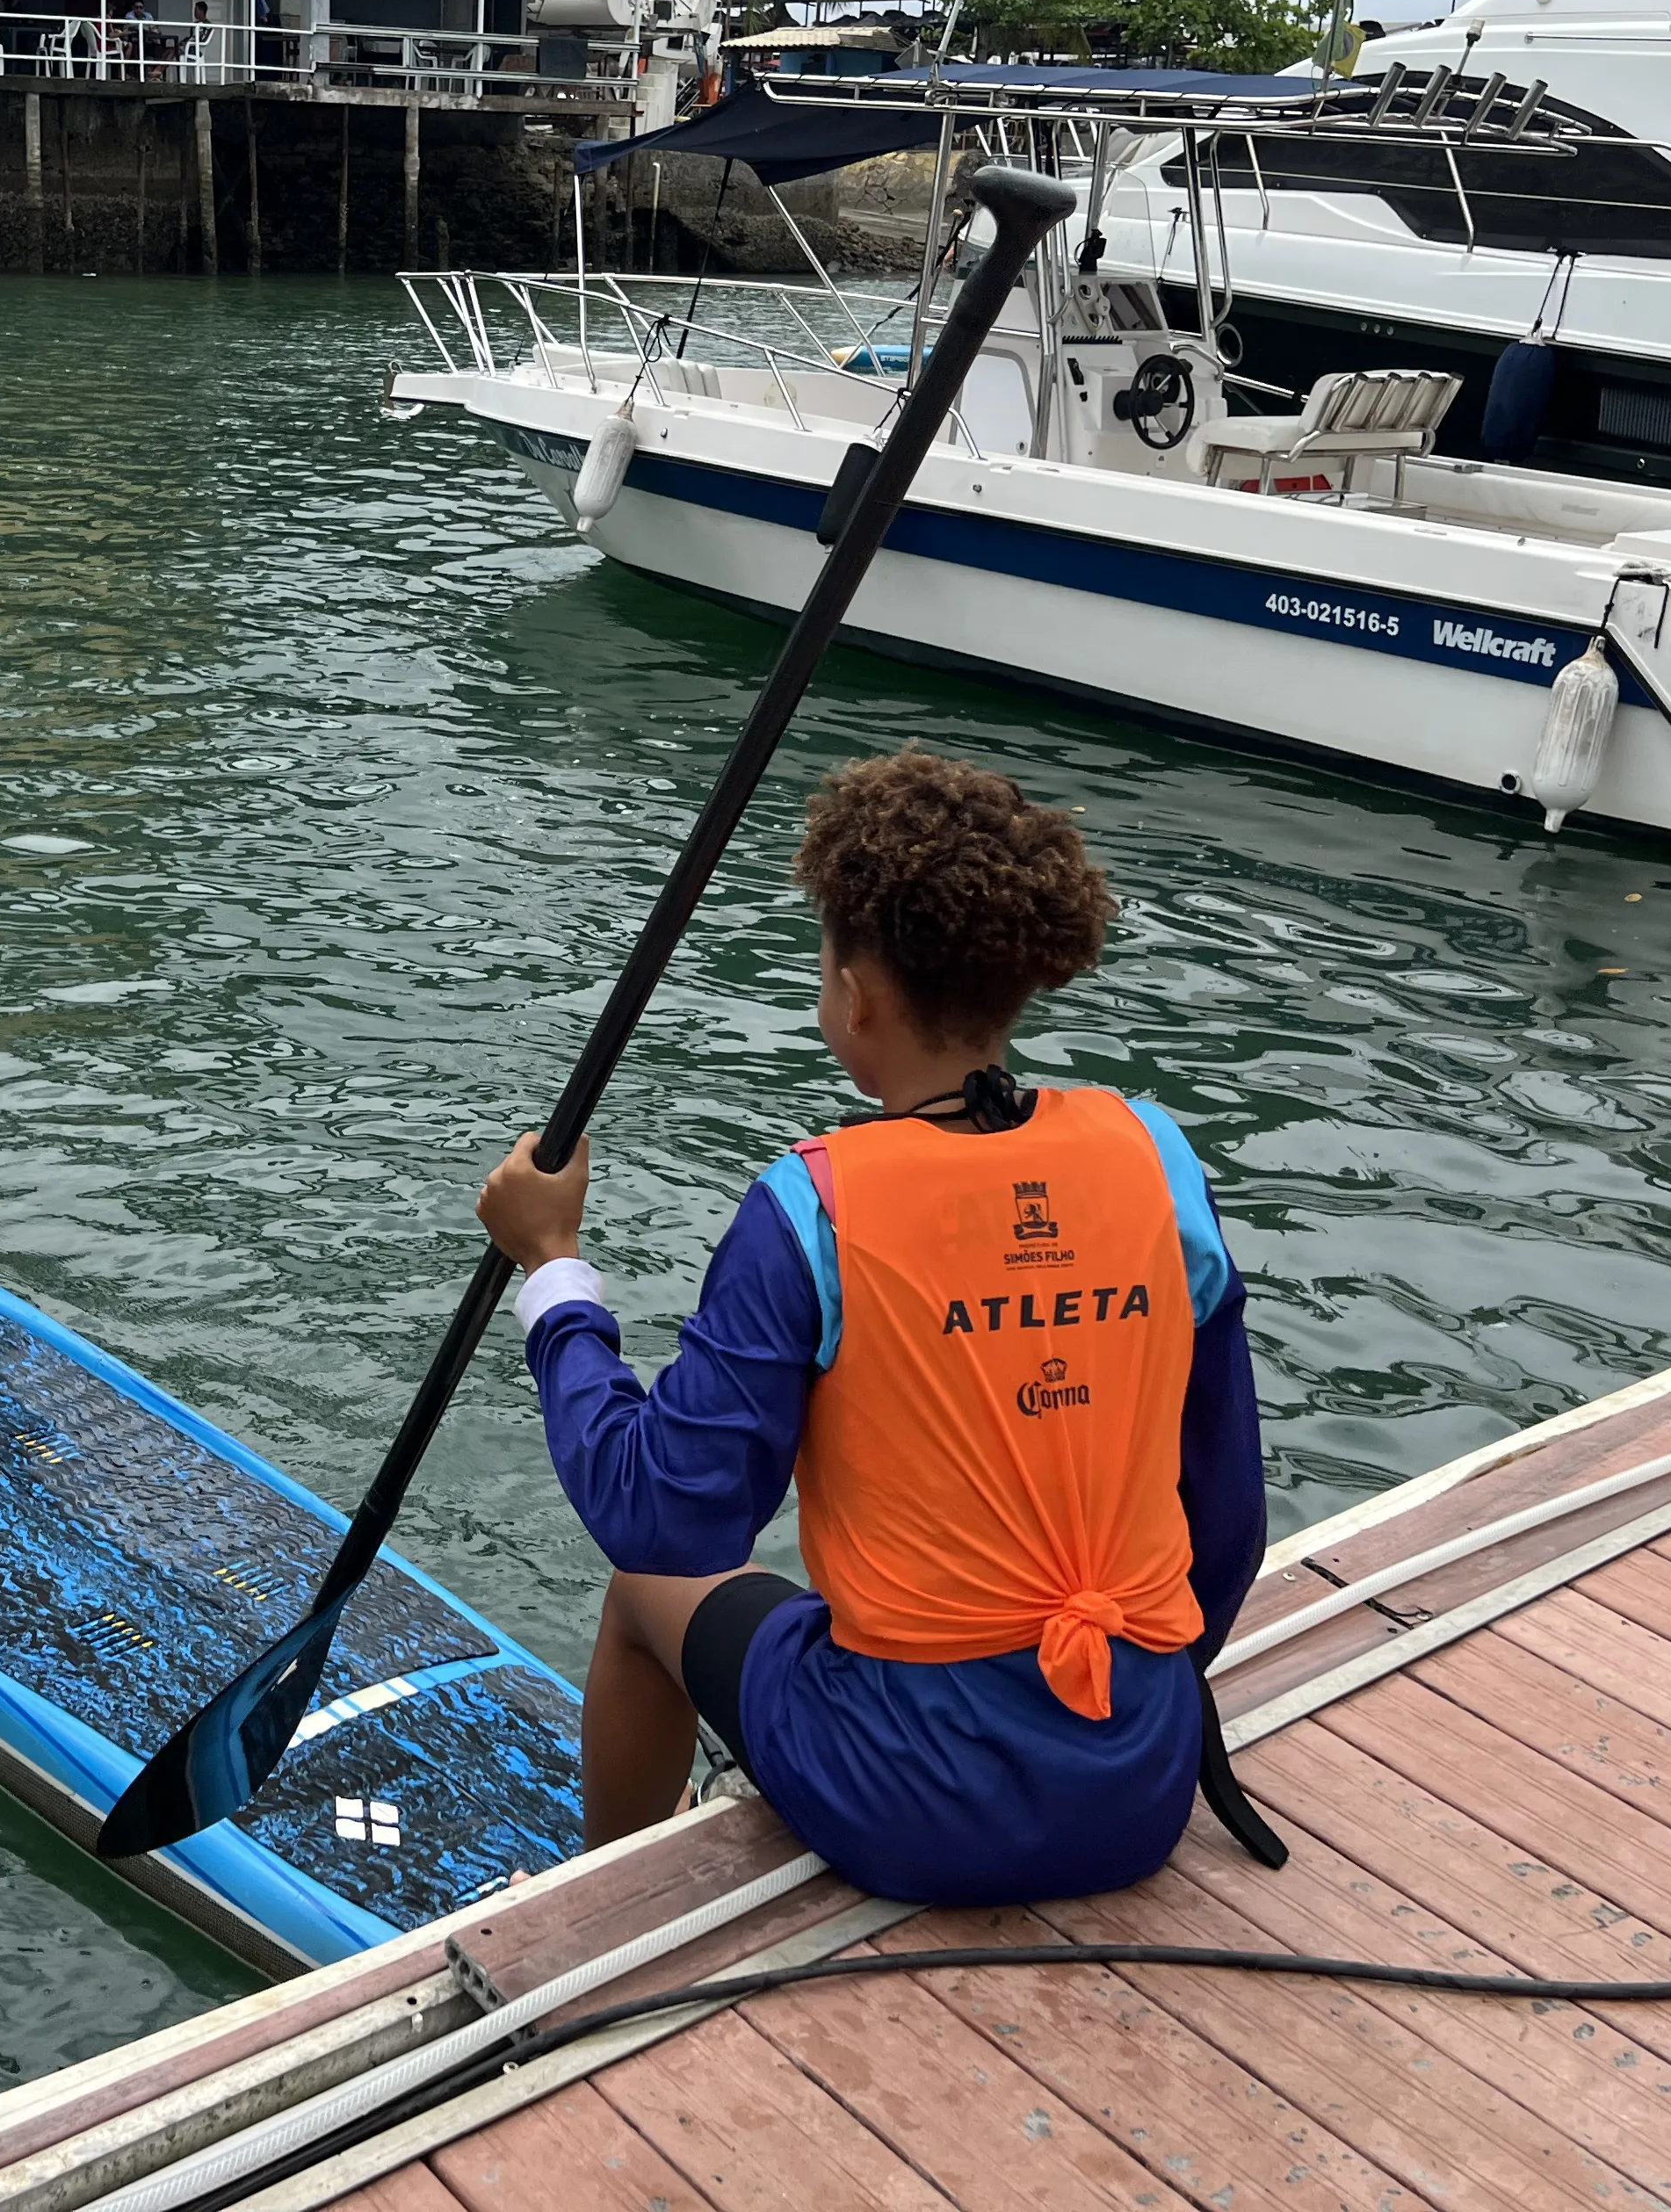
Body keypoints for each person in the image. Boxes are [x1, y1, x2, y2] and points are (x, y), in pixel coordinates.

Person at [476, 748, 1264, 1908]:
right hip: (1140, 1773)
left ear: (856, 993)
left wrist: (553, 1272)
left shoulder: (812, 1206)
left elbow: (665, 1516)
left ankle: (596, 1902)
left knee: (645, 1596)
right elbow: (1227, 1521)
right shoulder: (1159, 1159)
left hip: (916, 1805)